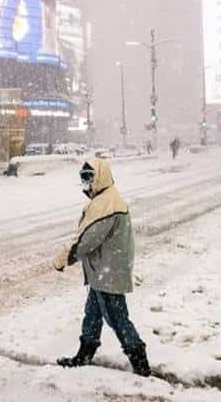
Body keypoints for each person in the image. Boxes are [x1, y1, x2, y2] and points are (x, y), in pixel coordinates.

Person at [53, 158, 149, 376]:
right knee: (92, 316)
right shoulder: (106, 199)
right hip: (103, 271)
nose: (86, 182)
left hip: (108, 273)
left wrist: (64, 259)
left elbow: (86, 240)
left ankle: (140, 363)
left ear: (100, 177)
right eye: (83, 177)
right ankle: (84, 355)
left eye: (90, 177)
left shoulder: (106, 204)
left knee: (117, 319)